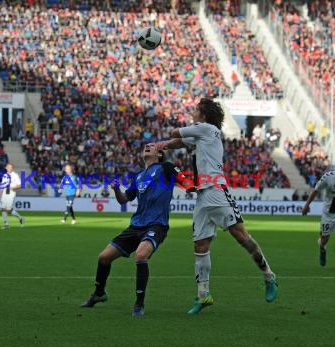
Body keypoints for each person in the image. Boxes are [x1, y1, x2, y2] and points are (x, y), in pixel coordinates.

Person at [157, 98, 278, 315]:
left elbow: (176, 134)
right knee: (200, 246)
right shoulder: (201, 136)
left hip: (217, 192)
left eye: (195, 110)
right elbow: (179, 143)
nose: (193, 113)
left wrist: (165, 140)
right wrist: (162, 145)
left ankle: (269, 276)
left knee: (241, 237)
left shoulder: (206, 128)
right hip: (203, 195)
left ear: (203, 114)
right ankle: (204, 296)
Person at [81, 143, 181, 316]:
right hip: (136, 225)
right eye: (146, 146)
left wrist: (197, 186)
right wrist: (117, 189)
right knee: (103, 258)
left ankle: (139, 304)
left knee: (141, 256)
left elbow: (185, 181)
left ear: (159, 154)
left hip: (156, 224)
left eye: (153, 146)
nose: (148, 146)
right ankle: (99, 294)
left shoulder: (166, 168)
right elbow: (124, 200)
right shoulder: (140, 176)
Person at [0, 163, 25, 229]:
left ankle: (20, 218)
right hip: (5, 192)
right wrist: (0, 193)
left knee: (8, 209)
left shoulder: (15, 175)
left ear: (12, 168)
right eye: (7, 167)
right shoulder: (5, 175)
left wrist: (14, 188)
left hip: (11, 193)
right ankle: (6, 224)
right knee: (3, 209)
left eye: (8, 167)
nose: (7, 168)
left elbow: (20, 185)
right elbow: (2, 186)